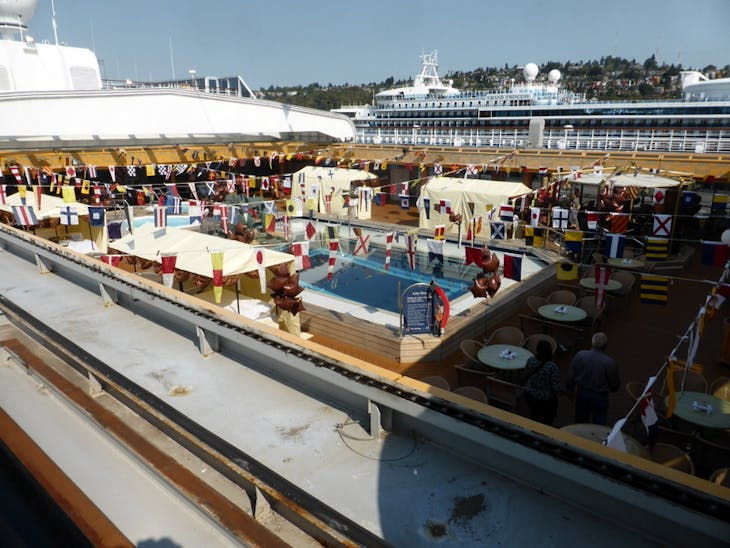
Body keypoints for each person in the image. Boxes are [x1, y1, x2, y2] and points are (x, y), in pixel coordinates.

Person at [567, 332, 620, 425]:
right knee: (599, 425)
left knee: (580, 421)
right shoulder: (610, 363)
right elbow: (615, 385)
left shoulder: (580, 355)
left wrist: (570, 391)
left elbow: (571, 375)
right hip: (600, 396)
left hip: (582, 393)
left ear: (592, 342)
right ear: (605, 346)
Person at [522, 340, 564, 425]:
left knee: (534, 413)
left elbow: (526, 374)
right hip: (545, 398)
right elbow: (555, 387)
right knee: (547, 418)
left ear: (537, 350)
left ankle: (531, 426)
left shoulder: (530, 361)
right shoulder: (552, 367)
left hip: (530, 394)